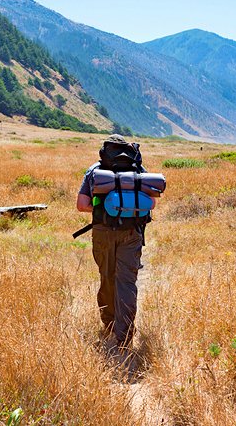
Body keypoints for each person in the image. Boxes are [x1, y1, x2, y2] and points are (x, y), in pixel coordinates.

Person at [76, 134, 154, 351]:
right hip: (132, 233)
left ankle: (109, 325)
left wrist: (105, 209)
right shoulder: (138, 170)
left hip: (102, 232)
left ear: (105, 150)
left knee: (107, 278)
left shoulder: (95, 171)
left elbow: (82, 205)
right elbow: (152, 202)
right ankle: (125, 336)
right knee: (126, 282)